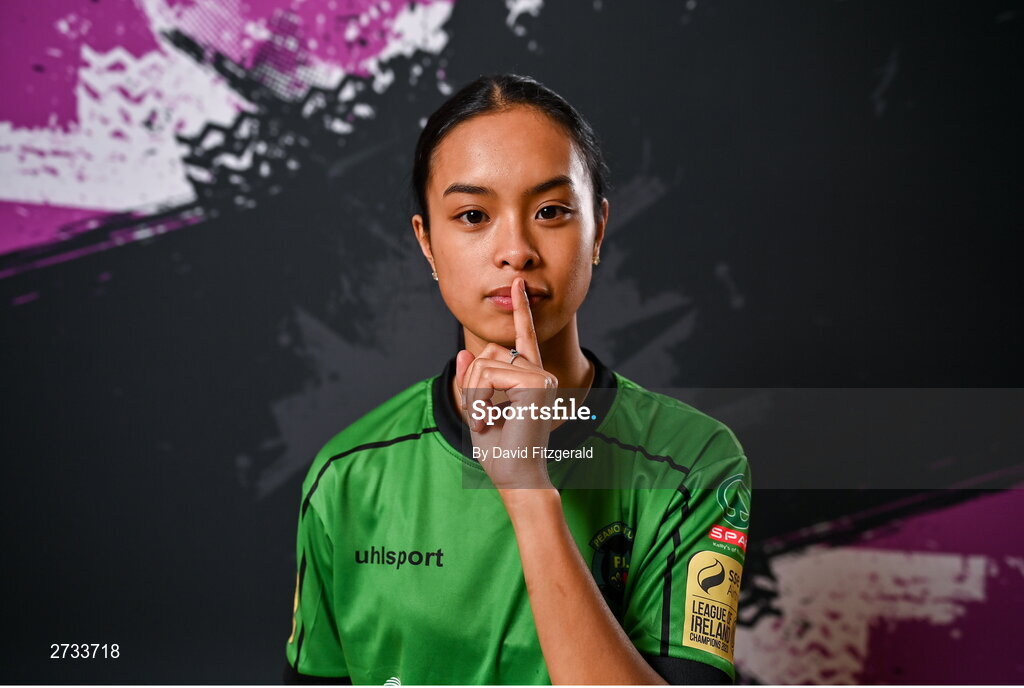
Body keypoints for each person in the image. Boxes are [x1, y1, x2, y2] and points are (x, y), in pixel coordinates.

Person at [283, 74, 751, 685]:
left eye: (552, 211)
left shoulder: (694, 463)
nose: (516, 250)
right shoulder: (348, 475)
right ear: (427, 242)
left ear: (598, 231)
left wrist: (528, 491)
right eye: (473, 215)